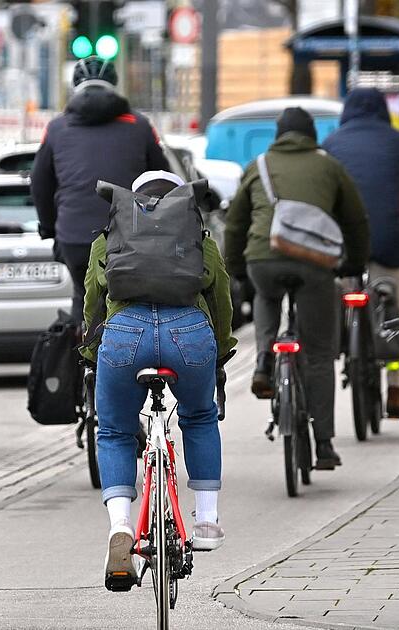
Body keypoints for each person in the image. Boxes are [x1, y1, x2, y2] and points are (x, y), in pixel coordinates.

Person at [80, 171, 237, 587]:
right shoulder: (200, 238)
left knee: (114, 431)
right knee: (199, 417)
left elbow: (93, 302)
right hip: (189, 334)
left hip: (124, 335)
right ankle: (206, 522)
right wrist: (220, 351)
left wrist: (91, 355)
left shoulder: (108, 239)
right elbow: (221, 299)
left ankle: (120, 527)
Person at [223, 107, 370, 470]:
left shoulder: (257, 166)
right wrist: (353, 263)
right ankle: (324, 444)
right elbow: (355, 220)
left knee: (266, 295)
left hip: (264, 258)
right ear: (312, 136)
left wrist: (237, 270)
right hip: (314, 263)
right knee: (318, 353)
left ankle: (263, 359)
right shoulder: (329, 166)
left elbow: (235, 224)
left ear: (278, 135)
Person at [321, 88, 399, 419]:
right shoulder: (397, 141)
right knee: (394, 312)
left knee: (340, 294)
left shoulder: (332, 143)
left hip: (342, 245)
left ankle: (343, 340)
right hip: (387, 242)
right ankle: (395, 387)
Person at [31, 57, 170, 322]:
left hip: (74, 237)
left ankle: (81, 341)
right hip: (130, 238)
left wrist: (50, 228)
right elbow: (163, 179)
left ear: (75, 87)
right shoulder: (139, 126)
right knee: (131, 303)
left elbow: (40, 183)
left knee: (83, 298)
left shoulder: (57, 128)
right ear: (115, 85)